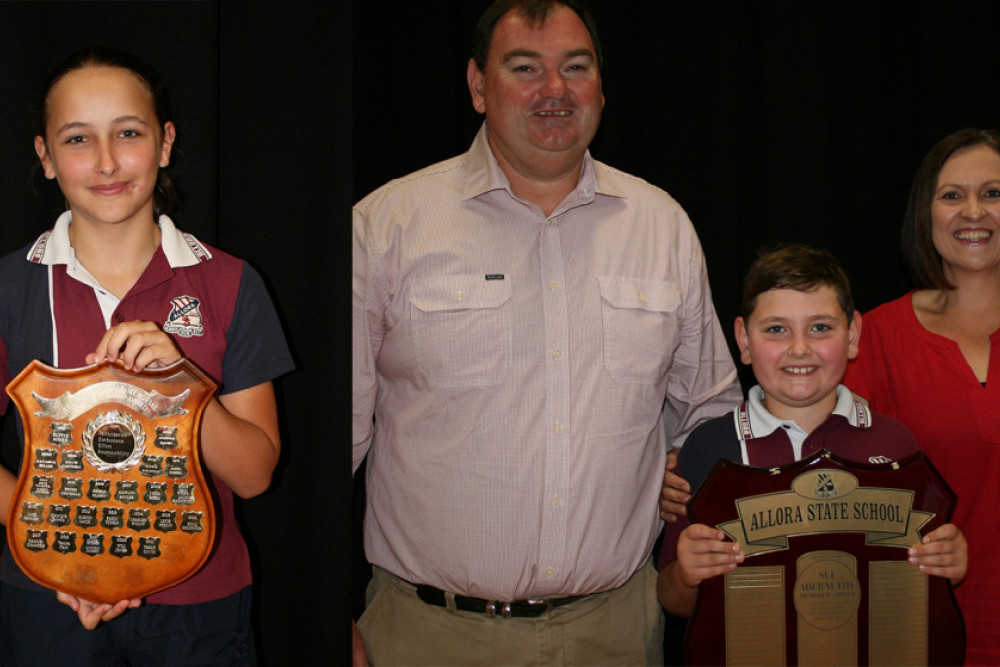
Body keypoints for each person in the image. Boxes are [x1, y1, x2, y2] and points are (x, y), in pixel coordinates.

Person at [351, 0, 741, 663]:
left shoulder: (661, 226)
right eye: (525, 67)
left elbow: (711, 415)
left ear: (601, 87)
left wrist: (690, 476)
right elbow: (330, 441)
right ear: (478, 86)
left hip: (617, 631)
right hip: (426, 635)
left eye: (575, 67)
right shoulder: (389, 224)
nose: (554, 89)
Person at [0, 47, 294, 665]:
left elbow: (255, 473)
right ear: (45, 158)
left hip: (199, 601)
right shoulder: (9, 287)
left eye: (128, 133)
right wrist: (66, 553)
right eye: (78, 138)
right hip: (45, 593)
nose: (107, 161)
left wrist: (179, 382)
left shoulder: (231, 283)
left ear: (164, 144)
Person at [658, 243, 968, 621]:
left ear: (853, 334)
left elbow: (915, 585)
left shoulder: (894, 443)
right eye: (776, 329)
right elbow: (673, 600)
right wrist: (688, 576)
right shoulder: (708, 447)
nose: (800, 348)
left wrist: (945, 563)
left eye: (820, 327)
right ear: (744, 340)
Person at [843, 128, 1000, 665]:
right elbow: (822, 486)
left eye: (994, 193)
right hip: (921, 637)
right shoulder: (876, 338)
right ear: (925, 213)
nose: (973, 212)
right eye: (952, 195)